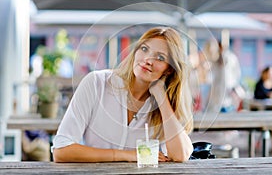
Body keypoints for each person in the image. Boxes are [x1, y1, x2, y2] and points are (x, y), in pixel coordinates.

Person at [52, 26, 194, 163]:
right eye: (144, 49)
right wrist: (128, 155)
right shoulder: (97, 83)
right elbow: (61, 150)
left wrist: (161, 97)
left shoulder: (161, 103)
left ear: (169, 70)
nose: (148, 60)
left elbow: (180, 155)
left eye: (160, 58)